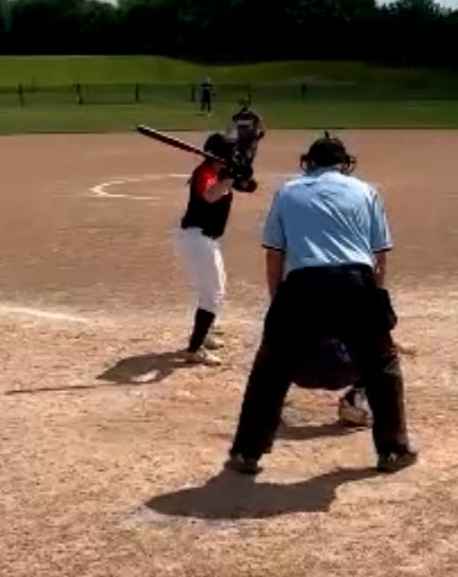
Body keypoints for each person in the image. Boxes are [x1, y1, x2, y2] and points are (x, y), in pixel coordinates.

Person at [225, 134, 416, 476]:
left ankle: (246, 453)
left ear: (308, 162)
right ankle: (392, 450)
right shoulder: (365, 191)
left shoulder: (288, 192)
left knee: (271, 368)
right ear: (344, 164)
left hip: (302, 283)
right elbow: (379, 257)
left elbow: (274, 255)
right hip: (356, 281)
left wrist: (279, 303)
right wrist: (373, 301)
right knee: (381, 362)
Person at [175, 133, 255, 366]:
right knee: (214, 292)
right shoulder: (205, 173)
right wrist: (230, 177)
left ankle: (205, 334)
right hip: (198, 238)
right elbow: (210, 196)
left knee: (210, 290)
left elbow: (250, 186)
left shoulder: (219, 172)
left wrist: (240, 174)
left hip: (204, 239)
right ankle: (194, 349)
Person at [229, 98, 265, 164]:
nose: (244, 106)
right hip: (241, 140)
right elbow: (232, 126)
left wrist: (260, 135)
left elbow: (261, 125)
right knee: (238, 156)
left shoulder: (254, 116)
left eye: (245, 104)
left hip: (251, 140)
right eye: (242, 104)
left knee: (249, 157)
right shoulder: (237, 116)